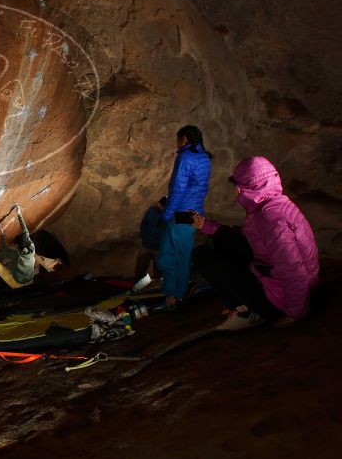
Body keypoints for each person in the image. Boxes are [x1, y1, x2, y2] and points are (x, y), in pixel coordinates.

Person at [191, 156, 319, 330]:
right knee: (222, 241)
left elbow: (293, 269)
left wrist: (295, 313)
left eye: (236, 186)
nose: (235, 191)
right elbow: (248, 239)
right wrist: (206, 226)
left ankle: (246, 311)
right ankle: (244, 305)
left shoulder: (269, 219)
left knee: (202, 255)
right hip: (282, 280)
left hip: (282, 299)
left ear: (244, 188)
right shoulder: (273, 205)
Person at [156, 125, 212, 309]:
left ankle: (171, 296)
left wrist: (166, 214)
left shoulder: (185, 157)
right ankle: (180, 293)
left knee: (167, 256)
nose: (177, 143)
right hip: (194, 214)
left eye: (178, 139)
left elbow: (178, 190)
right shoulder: (204, 157)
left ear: (184, 139)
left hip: (179, 213)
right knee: (183, 254)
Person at [0, 204, 39, 289]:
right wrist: (19, 214)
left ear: (17, 246)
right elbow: (25, 233)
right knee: (8, 263)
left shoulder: (16, 256)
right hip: (29, 279)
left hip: (17, 283)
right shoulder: (31, 247)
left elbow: (4, 249)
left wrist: (1, 235)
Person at [133, 196, 167, 291]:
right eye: (159, 204)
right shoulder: (151, 211)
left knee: (158, 272)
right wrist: (143, 235)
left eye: (160, 205)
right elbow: (144, 223)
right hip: (146, 246)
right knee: (140, 268)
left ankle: (156, 288)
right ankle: (136, 287)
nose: (158, 205)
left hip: (158, 249)